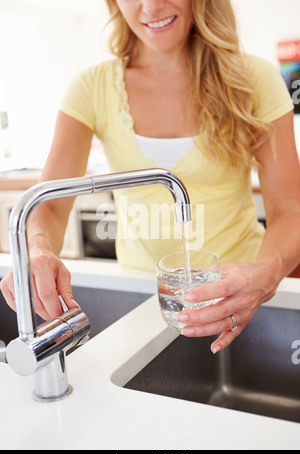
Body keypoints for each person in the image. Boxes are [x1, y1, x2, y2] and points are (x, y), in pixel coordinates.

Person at [1, 0, 300, 355]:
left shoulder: (255, 79)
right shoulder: (91, 87)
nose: (152, 7)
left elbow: (290, 210)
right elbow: (49, 207)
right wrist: (37, 248)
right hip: (140, 302)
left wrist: (264, 275)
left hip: (241, 299)